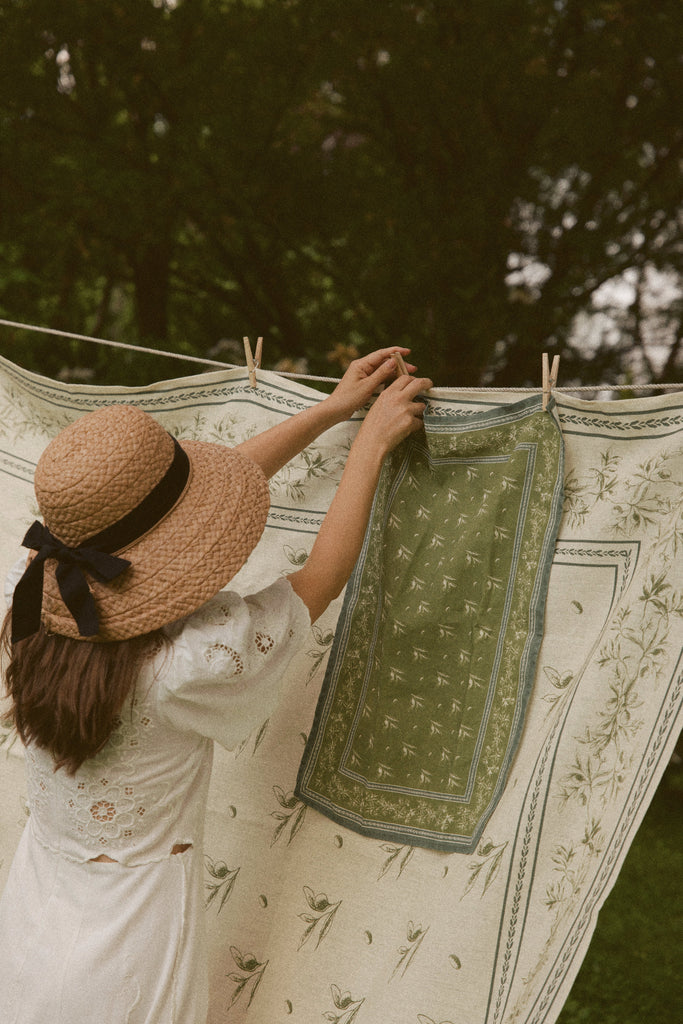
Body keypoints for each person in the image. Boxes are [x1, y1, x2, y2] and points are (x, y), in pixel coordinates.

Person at [0, 348, 432, 1024]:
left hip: (29, 924)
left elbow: (180, 510)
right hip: (130, 948)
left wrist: (327, 410)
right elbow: (318, 578)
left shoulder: (27, 609)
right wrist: (369, 443)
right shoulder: (185, 665)